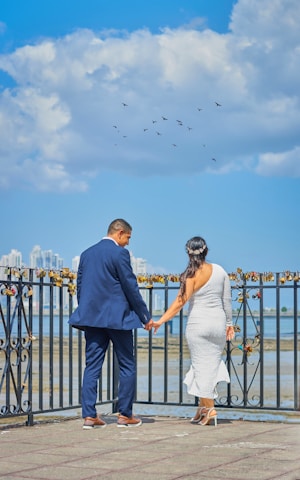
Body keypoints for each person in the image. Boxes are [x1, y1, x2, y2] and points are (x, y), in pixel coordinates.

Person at [69, 219, 152, 429]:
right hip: (118, 319)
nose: (128, 243)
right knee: (127, 364)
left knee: (92, 366)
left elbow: (80, 286)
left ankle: (89, 415)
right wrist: (145, 316)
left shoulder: (87, 253)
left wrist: (87, 310)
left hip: (93, 319)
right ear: (120, 232)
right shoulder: (120, 254)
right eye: (128, 238)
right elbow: (130, 286)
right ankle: (125, 415)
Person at [150, 236, 234, 426]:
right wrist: (229, 324)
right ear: (206, 251)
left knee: (201, 367)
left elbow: (180, 302)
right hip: (218, 324)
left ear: (188, 253)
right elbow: (227, 301)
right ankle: (202, 408)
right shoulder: (220, 270)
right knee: (210, 365)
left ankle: (210, 409)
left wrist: (160, 321)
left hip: (199, 325)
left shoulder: (191, 275)